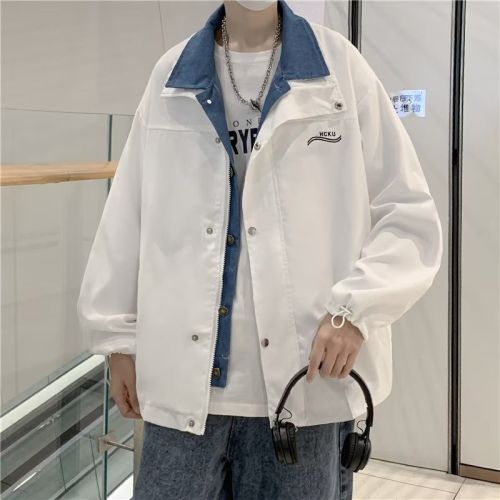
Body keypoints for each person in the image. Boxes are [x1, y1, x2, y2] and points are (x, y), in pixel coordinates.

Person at [77, 0, 443, 498]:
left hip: (304, 389)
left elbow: (408, 214)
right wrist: (118, 339)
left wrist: (355, 310)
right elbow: (127, 214)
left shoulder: (340, 69)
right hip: (182, 389)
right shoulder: (171, 76)